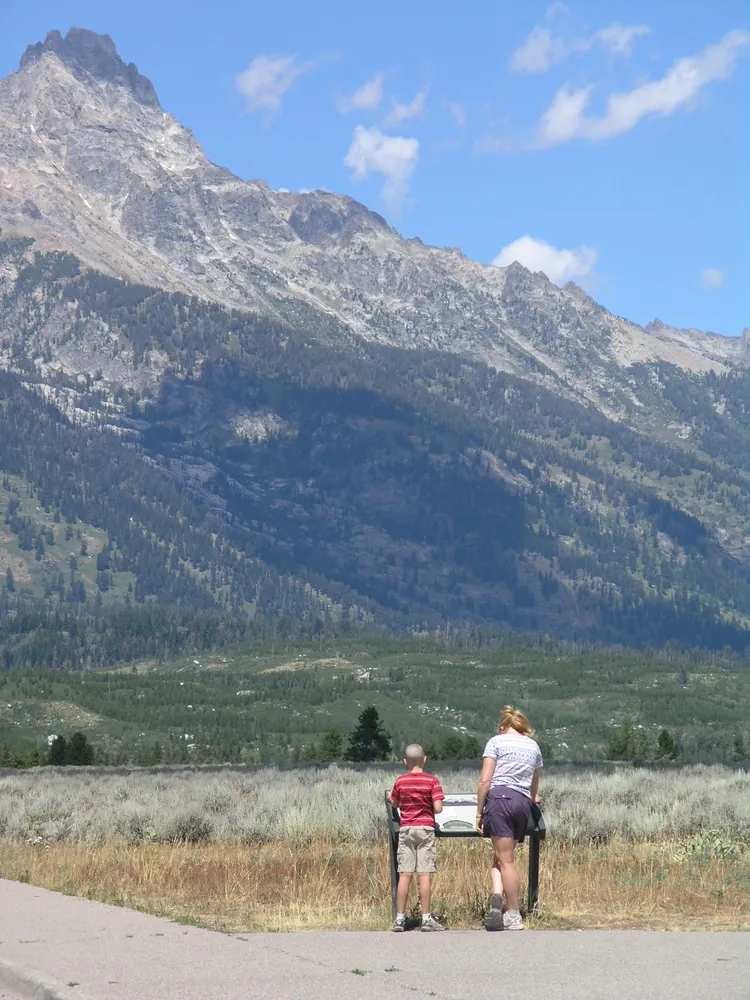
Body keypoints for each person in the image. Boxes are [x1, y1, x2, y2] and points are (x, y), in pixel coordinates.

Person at [476, 706, 543, 931]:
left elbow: (485, 781)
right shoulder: (533, 746)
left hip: (499, 800)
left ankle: (513, 913)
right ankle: (497, 895)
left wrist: (479, 811)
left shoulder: (496, 742)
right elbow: (534, 781)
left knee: (506, 860)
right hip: (521, 803)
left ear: (503, 726)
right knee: (500, 856)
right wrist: (533, 797)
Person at [388, 743, 446, 932]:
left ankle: (400, 919)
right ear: (424, 759)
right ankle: (426, 918)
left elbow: (395, 803)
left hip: (407, 829)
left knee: (405, 874)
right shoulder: (432, 781)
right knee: (424, 874)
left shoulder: (400, 781)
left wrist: (390, 798)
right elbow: (438, 808)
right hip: (425, 829)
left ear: (405, 762)